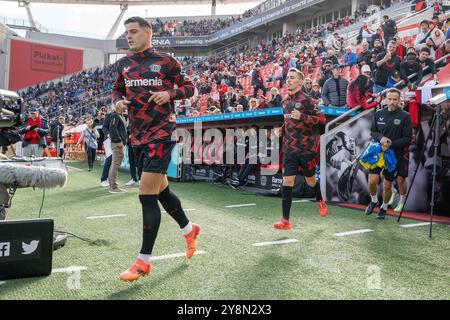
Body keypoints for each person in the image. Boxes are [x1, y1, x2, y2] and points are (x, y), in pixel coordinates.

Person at [112, 16, 199, 282]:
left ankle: (143, 262)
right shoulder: (122, 65)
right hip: (136, 135)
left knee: (146, 192)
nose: (129, 36)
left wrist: (169, 94)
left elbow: (190, 88)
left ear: (148, 32)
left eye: (134, 31)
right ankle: (189, 229)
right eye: (127, 32)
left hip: (162, 132)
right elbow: (116, 90)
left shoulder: (167, 62)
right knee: (162, 191)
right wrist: (117, 104)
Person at [273, 68, 327, 230]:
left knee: (310, 180)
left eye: (292, 78)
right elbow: (289, 120)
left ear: (300, 81)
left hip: (306, 149)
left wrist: (303, 117)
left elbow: (322, 120)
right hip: (289, 148)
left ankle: (319, 199)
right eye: (287, 77)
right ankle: (285, 220)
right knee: (287, 181)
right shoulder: (284, 102)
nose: (288, 80)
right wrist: (282, 129)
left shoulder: (308, 101)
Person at [365, 89, 412, 219]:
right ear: (386, 99)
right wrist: (381, 139)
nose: (392, 102)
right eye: (389, 99)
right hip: (377, 153)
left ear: (398, 100)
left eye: (395, 99)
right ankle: (374, 200)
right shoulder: (379, 113)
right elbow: (373, 132)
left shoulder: (405, 116)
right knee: (372, 181)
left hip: (393, 155)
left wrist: (391, 143)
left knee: (387, 185)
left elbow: (408, 138)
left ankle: (384, 208)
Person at [108, 102, 128, 193]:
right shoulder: (115, 116)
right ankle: (113, 187)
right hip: (117, 144)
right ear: (118, 106)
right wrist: (119, 141)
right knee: (115, 165)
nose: (126, 106)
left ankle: (112, 185)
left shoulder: (120, 116)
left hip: (118, 143)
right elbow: (112, 129)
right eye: (124, 105)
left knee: (114, 165)